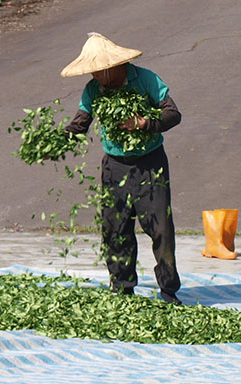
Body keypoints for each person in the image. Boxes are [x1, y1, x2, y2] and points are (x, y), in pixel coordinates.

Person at [60, 33, 182, 304]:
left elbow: (173, 114)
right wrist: (55, 144)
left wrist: (143, 124)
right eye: (93, 72)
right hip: (114, 167)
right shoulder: (93, 90)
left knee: (160, 226)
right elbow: (80, 123)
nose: (97, 77)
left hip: (150, 164)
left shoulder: (146, 79)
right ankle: (122, 290)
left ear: (114, 66)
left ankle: (169, 291)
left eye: (100, 72)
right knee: (115, 229)